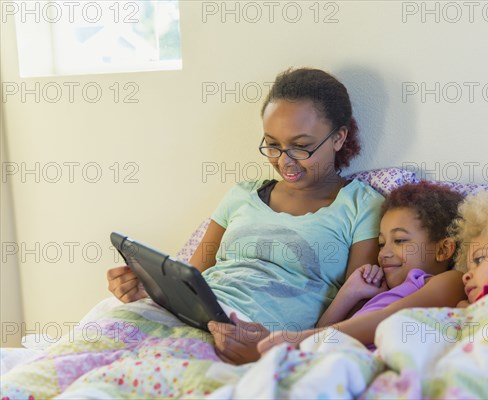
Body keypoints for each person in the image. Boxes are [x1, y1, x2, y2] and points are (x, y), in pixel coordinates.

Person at [107, 67, 384, 364]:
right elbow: (191, 277)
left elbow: (358, 313)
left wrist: (279, 347)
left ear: (338, 138)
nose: (283, 160)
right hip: (198, 320)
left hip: (263, 343)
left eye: (301, 147)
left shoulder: (362, 206)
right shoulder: (241, 195)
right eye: (273, 145)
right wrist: (149, 288)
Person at [258, 181, 467, 353]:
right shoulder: (381, 293)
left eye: (400, 240)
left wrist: (303, 337)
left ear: (443, 250)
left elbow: (390, 318)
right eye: (381, 243)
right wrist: (349, 292)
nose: (383, 253)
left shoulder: (452, 281)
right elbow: (323, 332)